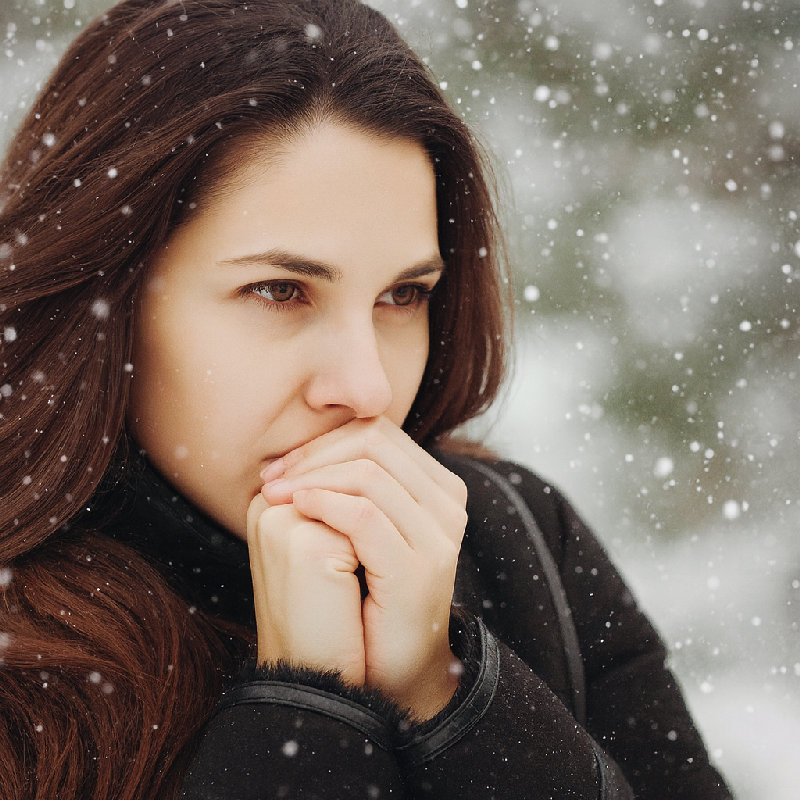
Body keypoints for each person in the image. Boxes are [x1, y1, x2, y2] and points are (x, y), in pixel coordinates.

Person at [0, 1, 734, 798]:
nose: (366, 388)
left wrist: (446, 689)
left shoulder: (518, 547)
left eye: (403, 295)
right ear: (107, 297)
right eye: (279, 290)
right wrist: (305, 706)